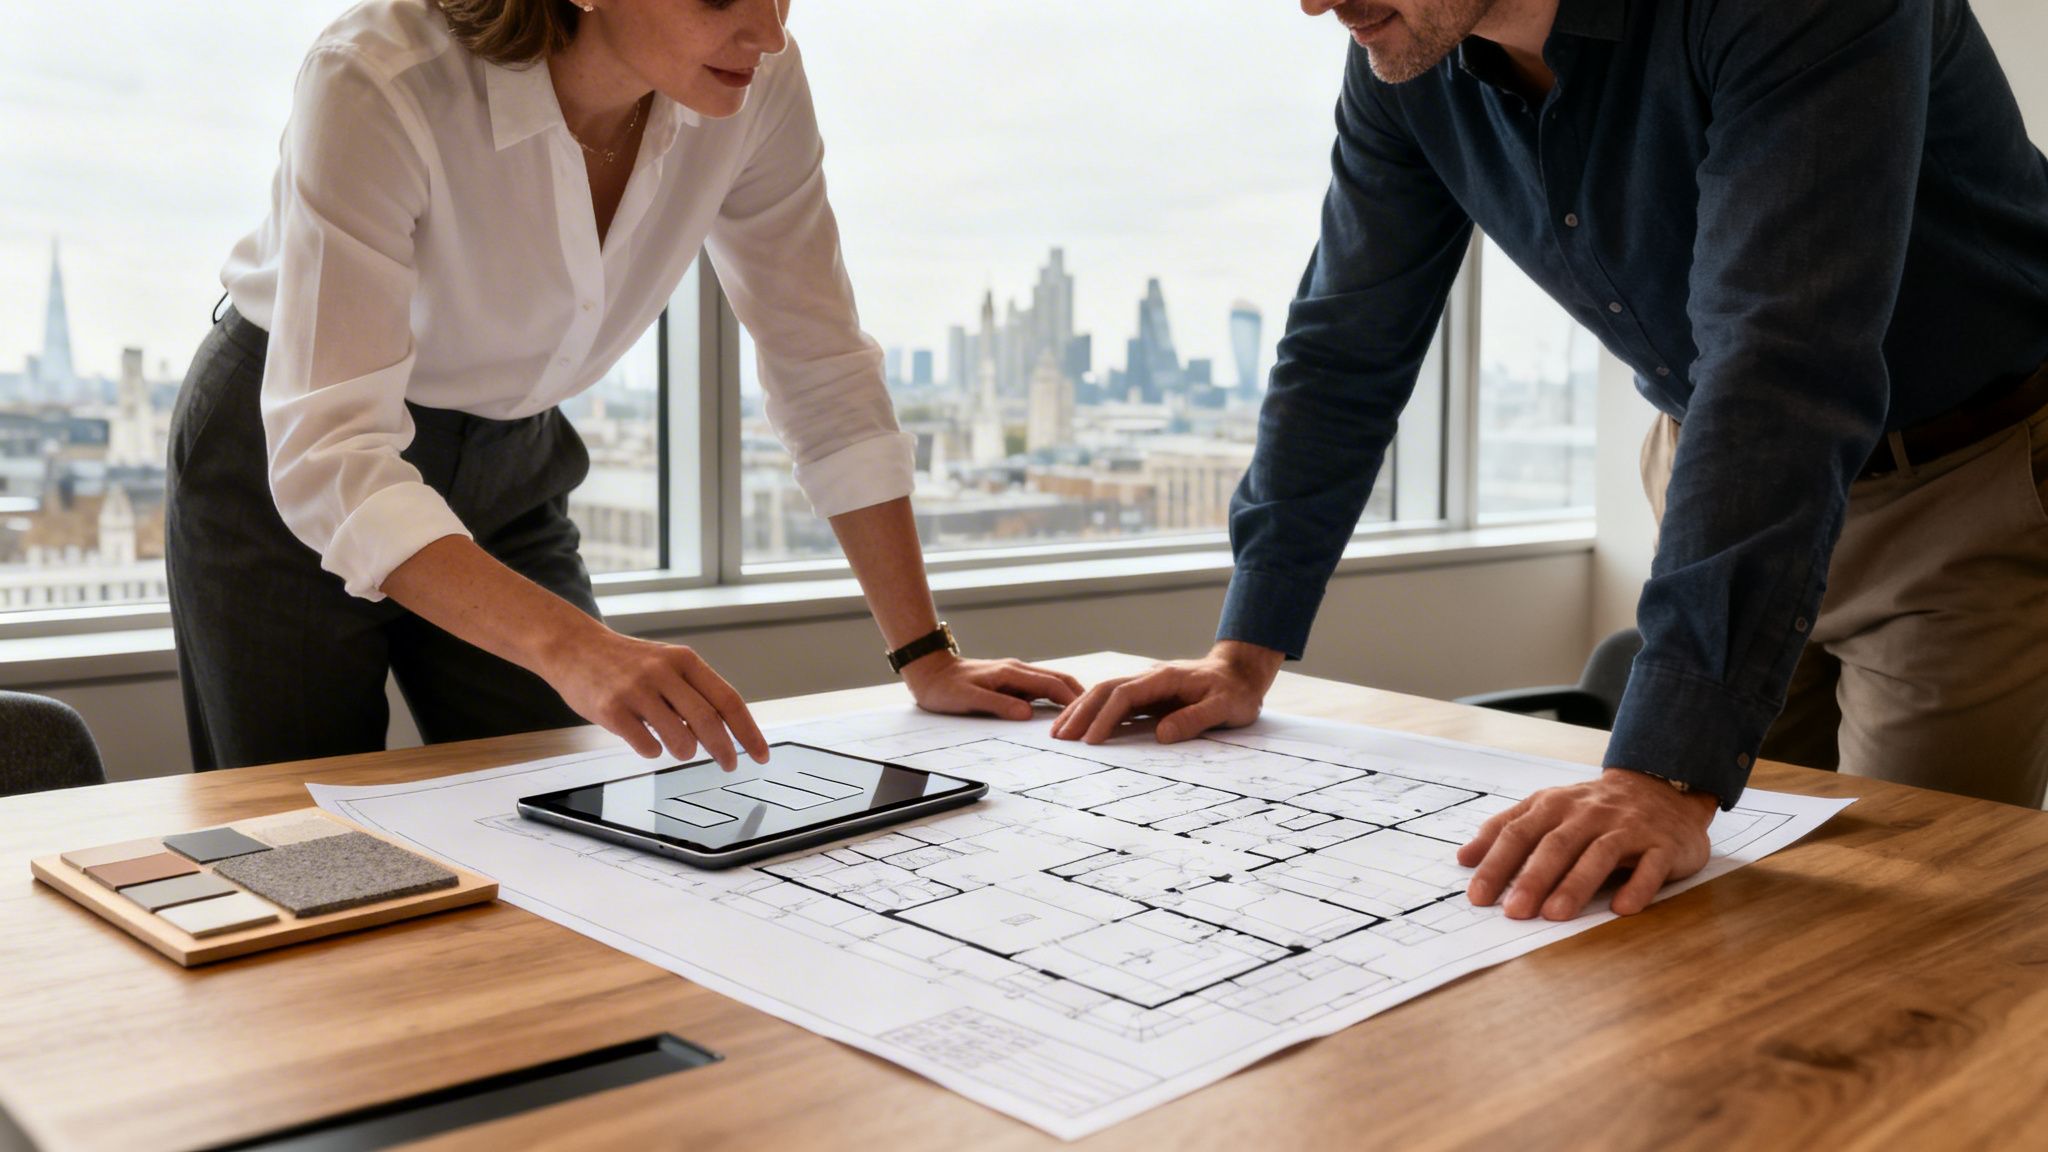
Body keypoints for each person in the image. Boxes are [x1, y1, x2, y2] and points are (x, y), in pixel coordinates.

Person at [1055, 0, 2048, 920]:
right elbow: (1342, 348)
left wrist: (1660, 773)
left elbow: (1777, 359)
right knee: (1695, 909)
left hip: (1967, 481)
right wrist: (1243, 650)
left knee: (1890, 922)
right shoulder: (1406, 61)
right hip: (1712, 475)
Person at [167, 0, 1081, 773]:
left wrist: (926, 657)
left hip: (510, 458)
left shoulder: (758, 85)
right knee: (303, 840)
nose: (766, 31)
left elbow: (821, 364)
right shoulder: (379, 77)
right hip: (285, 454)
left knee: (559, 819)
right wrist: (574, 646)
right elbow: (333, 452)